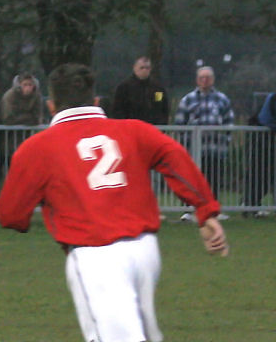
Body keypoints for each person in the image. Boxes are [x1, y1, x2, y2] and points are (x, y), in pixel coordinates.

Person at [0, 63, 227, 342]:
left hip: (96, 256)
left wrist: (45, 203)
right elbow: (175, 160)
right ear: (96, 101)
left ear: (51, 105)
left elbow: (10, 215)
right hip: (145, 251)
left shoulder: (39, 147)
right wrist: (206, 212)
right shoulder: (133, 131)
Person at [174, 66, 234, 221]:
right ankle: (189, 211)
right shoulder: (187, 100)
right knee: (191, 181)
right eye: (202, 77)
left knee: (214, 179)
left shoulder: (222, 99)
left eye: (208, 77)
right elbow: (179, 124)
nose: (205, 80)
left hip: (215, 149)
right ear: (197, 80)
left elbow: (229, 122)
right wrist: (184, 146)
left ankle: (213, 211)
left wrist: (225, 141)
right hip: (193, 150)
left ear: (213, 79)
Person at [0, 72, 45, 223]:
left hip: (26, 143)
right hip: (7, 144)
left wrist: (24, 120)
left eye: (30, 85)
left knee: (27, 178)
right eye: (25, 85)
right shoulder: (9, 96)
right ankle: (0, 208)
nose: (28, 88)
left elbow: (37, 118)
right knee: (6, 177)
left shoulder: (37, 97)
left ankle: (24, 209)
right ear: (19, 85)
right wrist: (27, 119)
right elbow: (8, 119)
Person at [241, 92, 276, 217]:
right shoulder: (272, 98)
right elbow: (266, 119)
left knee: (266, 177)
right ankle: (249, 205)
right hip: (261, 141)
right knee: (258, 175)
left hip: (268, 140)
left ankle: (250, 204)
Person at [111, 56, 169, 124]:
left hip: (152, 129)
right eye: (141, 68)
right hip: (131, 128)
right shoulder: (124, 88)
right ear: (134, 68)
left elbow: (163, 108)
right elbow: (117, 110)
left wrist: (161, 126)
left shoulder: (158, 89)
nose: (144, 70)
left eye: (147, 68)